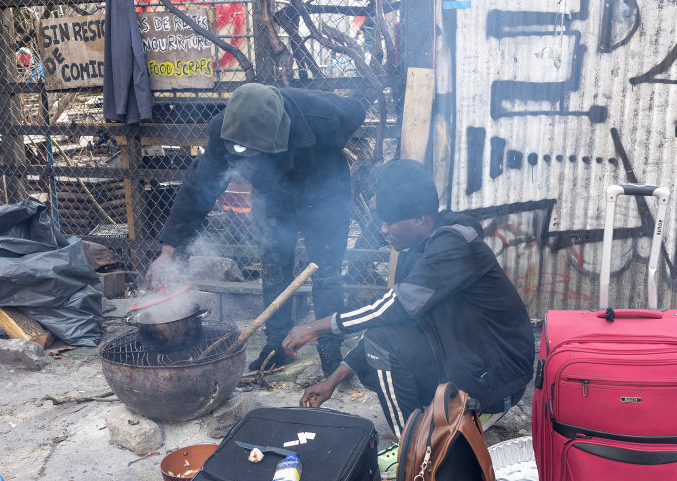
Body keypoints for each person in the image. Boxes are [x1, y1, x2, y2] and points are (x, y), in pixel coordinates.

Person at [282, 159, 534, 443]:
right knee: (375, 352)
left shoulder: (452, 246)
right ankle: (432, 419)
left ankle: (413, 448)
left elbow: (394, 305)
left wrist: (317, 327)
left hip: (498, 379)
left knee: (382, 346)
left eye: (390, 221)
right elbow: (393, 317)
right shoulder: (415, 248)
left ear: (419, 219)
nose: (383, 230)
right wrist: (333, 380)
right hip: (469, 357)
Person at [147, 83, 366, 376]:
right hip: (272, 194)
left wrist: (325, 158)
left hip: (324, 190)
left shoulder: (323, 115)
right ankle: (277, 343)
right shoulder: (223, 130)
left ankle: (329, 343)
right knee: (274, 265)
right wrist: (168, 251)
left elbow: (358, 110)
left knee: (325, 269)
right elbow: (198, 186)